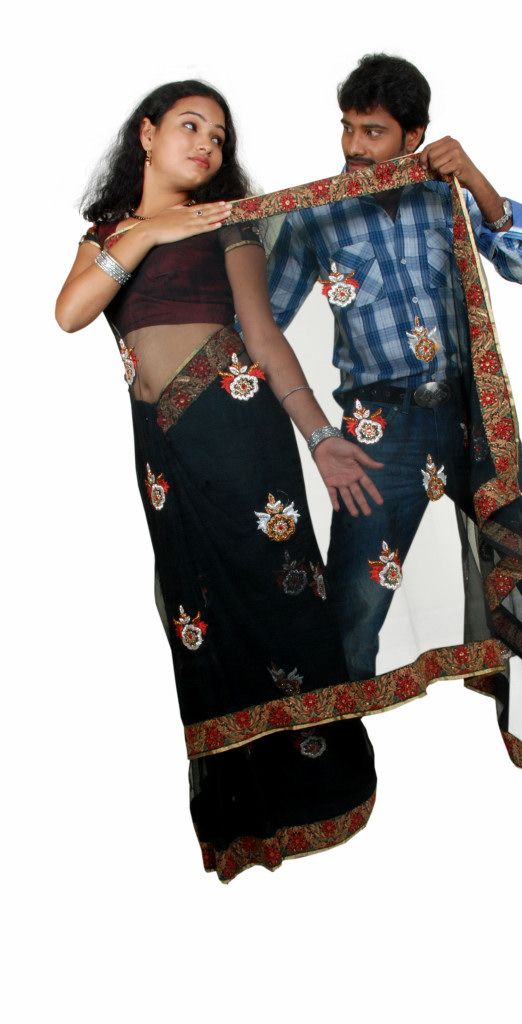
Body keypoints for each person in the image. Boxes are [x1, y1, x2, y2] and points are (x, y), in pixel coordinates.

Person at [55, 80, 391, 884]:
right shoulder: (107, 235)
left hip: (240, 433)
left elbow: (263, 335)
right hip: (165, 452)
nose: (207, 143)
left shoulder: (226, 223)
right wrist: (148, 231)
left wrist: (319, 436)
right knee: (196, 617)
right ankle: (247, 815)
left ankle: (325, 789)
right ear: (146, 134)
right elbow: (69, 313)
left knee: (281, 597)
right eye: (190, 125)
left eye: (218, 135)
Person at [266, 53, 522, 719]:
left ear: (414, 135)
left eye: (374, 132)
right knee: (360, 585)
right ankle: (336, 720)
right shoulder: (316, 214)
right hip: (377, 429)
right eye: (348, 128)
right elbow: (265, 321)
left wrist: (476, 179)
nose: (355, 147)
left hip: (469, 412)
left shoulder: (444, 194)